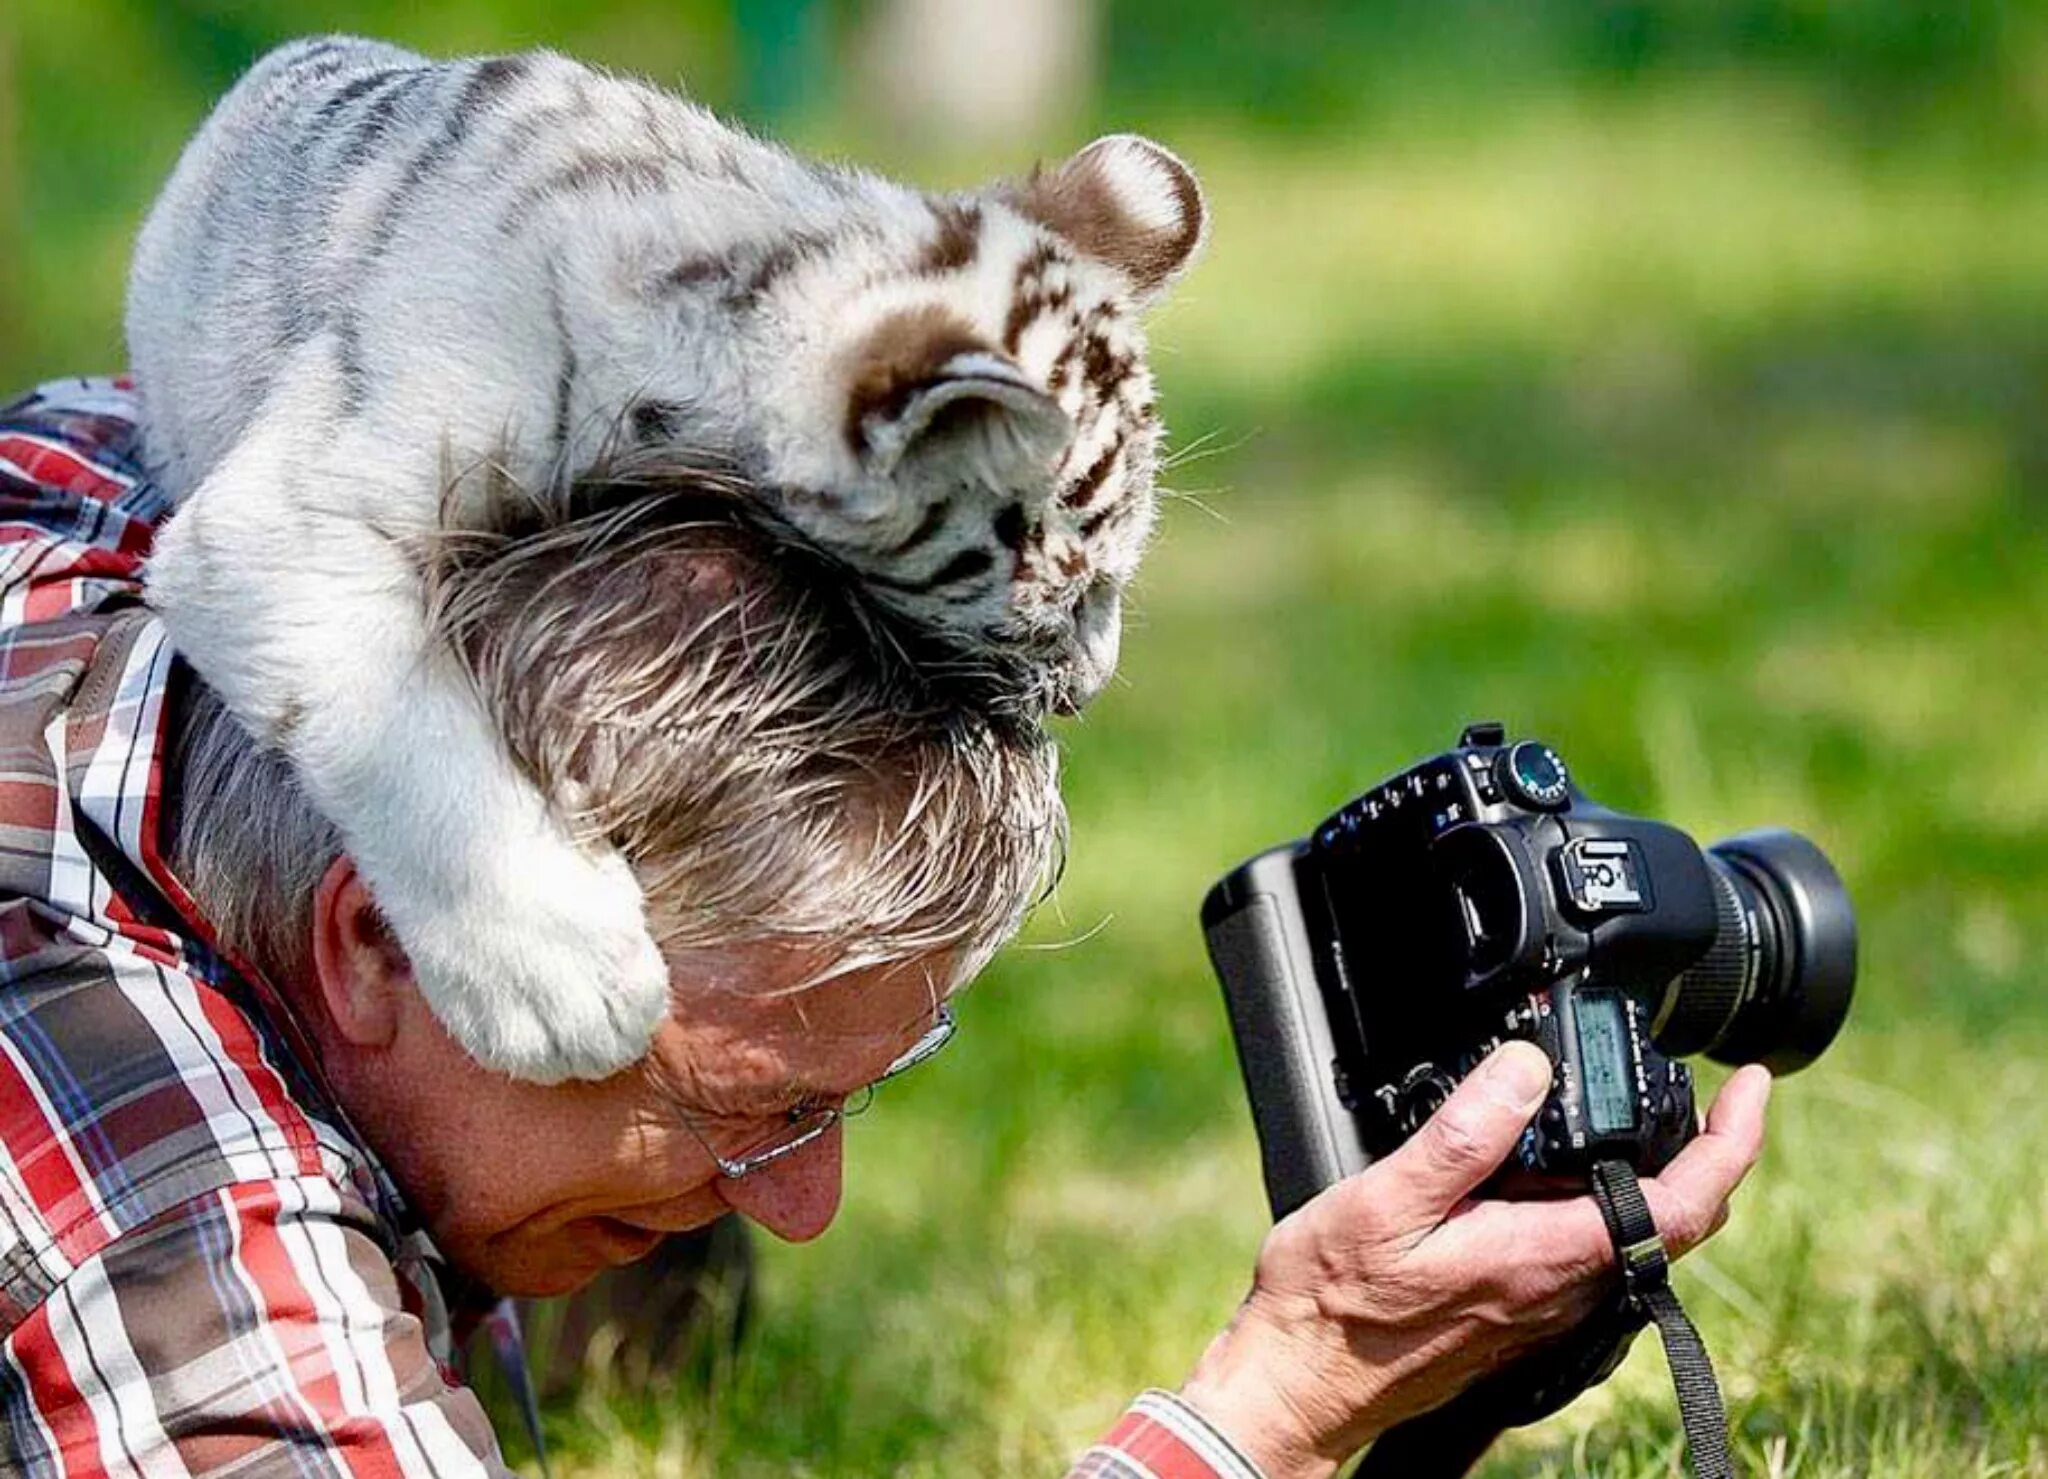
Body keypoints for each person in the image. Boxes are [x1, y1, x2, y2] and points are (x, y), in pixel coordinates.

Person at [0, 377, 1769, 1478]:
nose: (816, 1209)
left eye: (864, 1086)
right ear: (384, 940)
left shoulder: (207, 470)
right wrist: (1270, 1417)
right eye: (754, 1106)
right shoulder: (155, 1206)